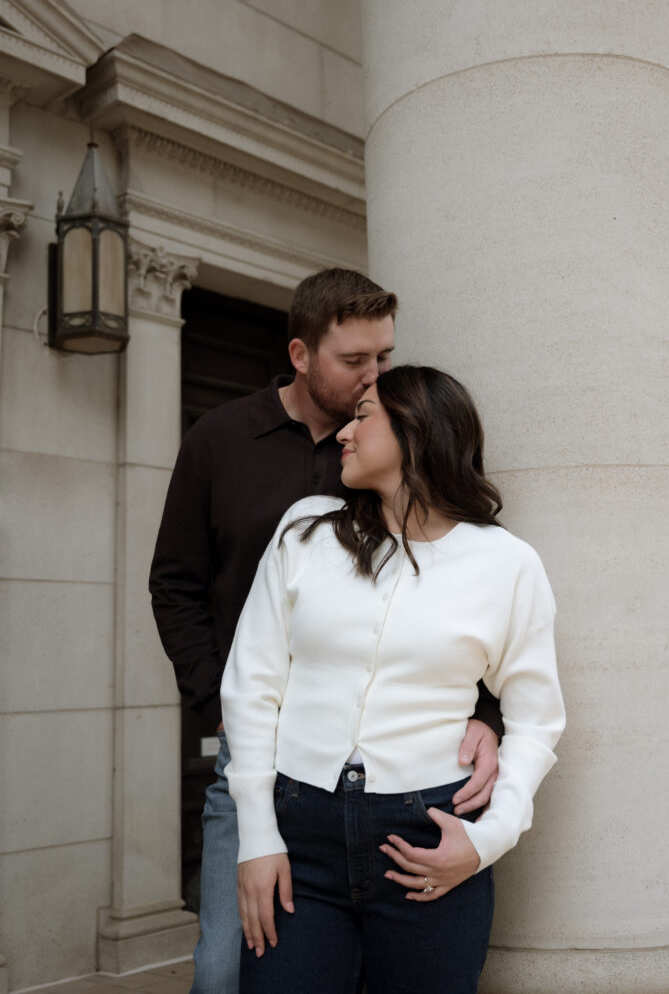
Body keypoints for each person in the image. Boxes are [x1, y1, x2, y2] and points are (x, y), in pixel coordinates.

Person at [150, 271, 503, 993]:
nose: (373, 374)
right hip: (256, 748)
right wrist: (217, 701)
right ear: (301, 354)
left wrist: (486, 716)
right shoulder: (220, 439)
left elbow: (463, 598)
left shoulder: (400, 443)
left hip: (386, 774)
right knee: (224, 971)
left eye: (383, 356)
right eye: (354, 361)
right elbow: (175, 583)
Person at [221, 365, 565, 994]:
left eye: (363, 416)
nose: (344, 434)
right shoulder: (306, 530)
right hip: (298, 837)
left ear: (415, 431)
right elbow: (252, 684)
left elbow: (537, 719)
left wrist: (488, 839)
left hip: (429, 838)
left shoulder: (507, 564)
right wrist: (257, 837)